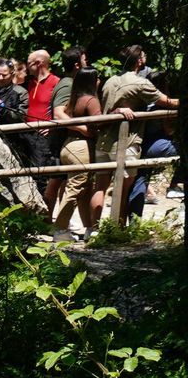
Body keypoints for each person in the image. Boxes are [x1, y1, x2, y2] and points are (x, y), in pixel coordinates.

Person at [101, 45, 178, 219]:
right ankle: (119, 226)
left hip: (106, 139)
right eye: (144, 55)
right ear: (139, 61)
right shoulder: (140, 83)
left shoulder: (111, 80)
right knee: (125, 186)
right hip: (129, 140)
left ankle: (122, 225)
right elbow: (169, 103)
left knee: (119, 184)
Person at [50, 66, 104, 239]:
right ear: (92, 81)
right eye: (97, 78)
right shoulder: (91, 100)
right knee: (75, 188)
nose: (99, 81)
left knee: (84, 189)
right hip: (81, 148)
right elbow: (99, 123)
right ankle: (59, 229)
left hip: (68, 146)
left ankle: (89, 228)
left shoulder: (73, 100)